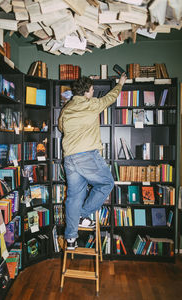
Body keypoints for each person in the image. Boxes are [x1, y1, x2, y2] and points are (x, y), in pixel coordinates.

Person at [58, 73, 127, 250]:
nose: (93, 91)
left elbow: (60, 127)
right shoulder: (92, 104)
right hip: (86, 155)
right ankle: (84, 214)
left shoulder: (66, 108)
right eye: (92, 90)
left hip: (69, 159)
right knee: (106, 183)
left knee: (74, 197)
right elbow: (111, 97)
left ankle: (71, 238)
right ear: (87, 92)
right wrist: (120, 83)